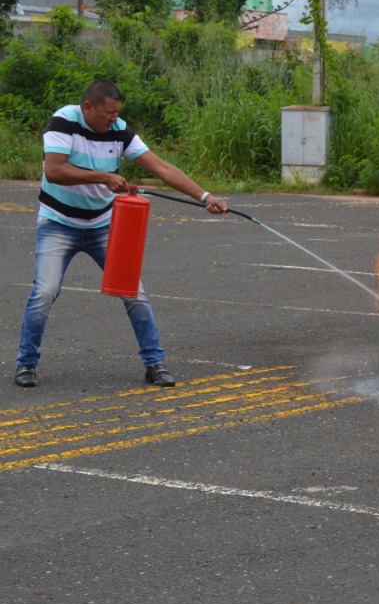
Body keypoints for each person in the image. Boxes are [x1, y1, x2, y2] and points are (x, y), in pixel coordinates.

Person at [14, 80, 229, 388]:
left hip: (102, 225)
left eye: (117, 113)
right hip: (58, 223)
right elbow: (55, 171)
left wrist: (205, 196)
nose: (113, 119)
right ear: (88, 107)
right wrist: (104, 176)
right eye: (108, 112)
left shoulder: (119, 130)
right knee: (44, 292)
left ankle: (154, 363)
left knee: (135, 294)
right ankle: (26, 364)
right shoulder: (63, 121)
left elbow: (162, 168)